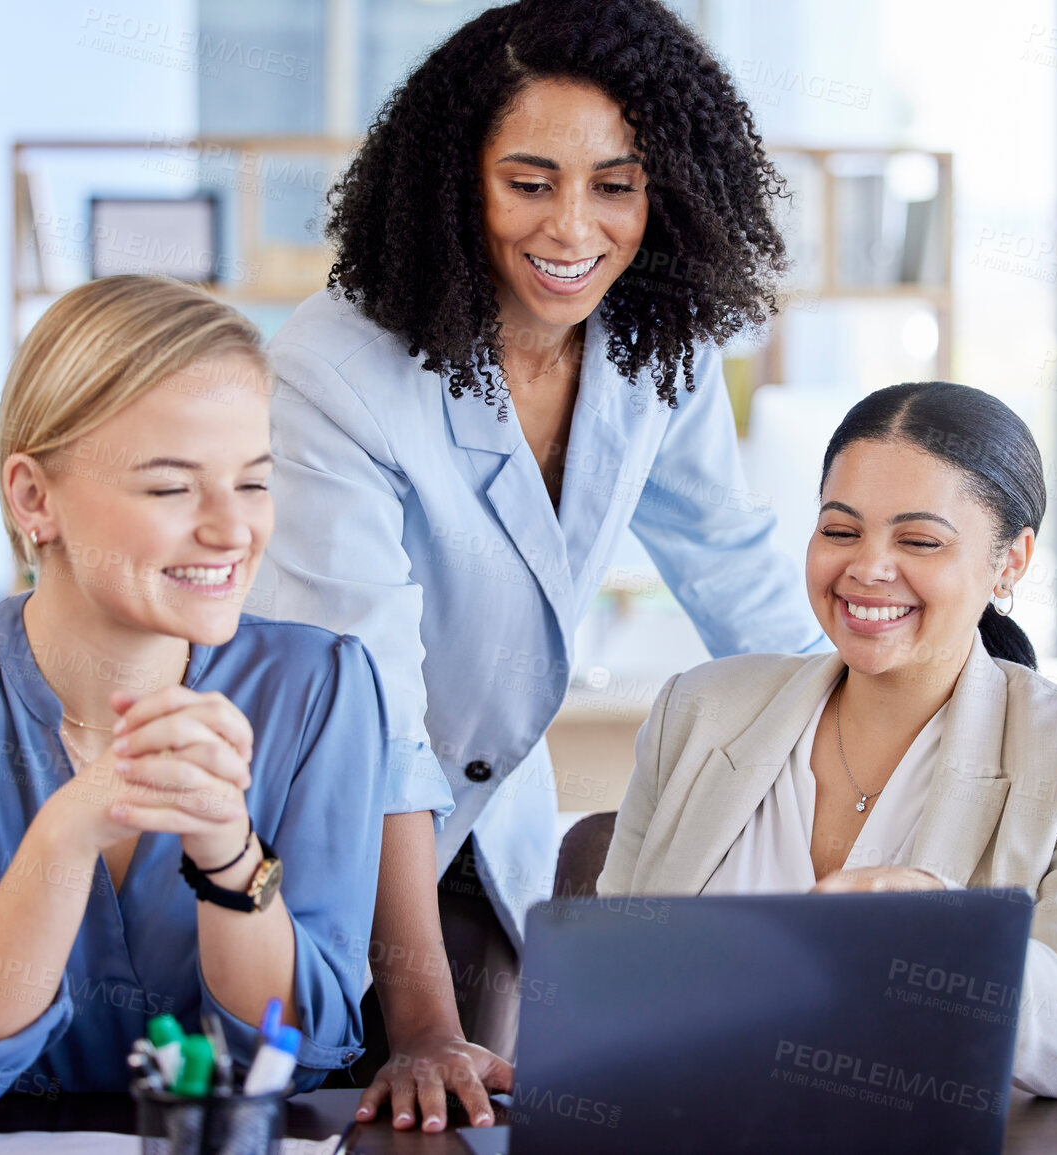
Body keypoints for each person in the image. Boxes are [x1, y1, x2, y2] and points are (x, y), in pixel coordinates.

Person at [255, 0, 825, 1131]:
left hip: (491, 821)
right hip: (318, 820)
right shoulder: (335, 368)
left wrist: (924, 721)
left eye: (615, 185)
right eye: (529, 181)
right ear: (454, 181)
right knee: (345, 1088)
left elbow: (734, 571)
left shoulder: (656, 343)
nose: (575, 228)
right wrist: (418, 1021)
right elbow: (373, 709)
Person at [0, 276, 388, 1123]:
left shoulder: (319, 690)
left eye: (253, 482)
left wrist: (228, 856)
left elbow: (291, 1059)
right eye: (170, 487)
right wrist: (68, 834)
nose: (232, 530)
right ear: (35, 497)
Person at [599, 382, 1057, 1099]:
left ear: (1011, 561)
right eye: (840, 531)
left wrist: (943, 928)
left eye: (918, 540)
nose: (866, 567)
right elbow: (607, 984)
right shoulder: (699, 708)